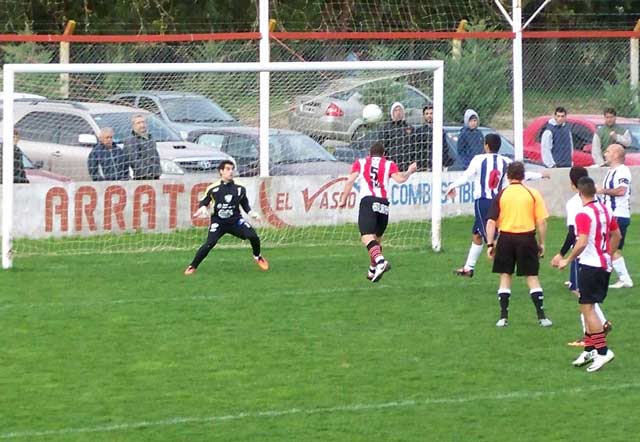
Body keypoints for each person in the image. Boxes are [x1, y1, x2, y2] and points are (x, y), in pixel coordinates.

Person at [445, 134, 546, 278]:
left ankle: (513, 263)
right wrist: (540, 175)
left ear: (486, 145)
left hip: (483, 202)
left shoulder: (478, 159)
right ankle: (468, 268)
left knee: (492, 240)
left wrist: (452, 186)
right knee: (477, 234)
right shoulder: (505, 161)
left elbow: (466, 176)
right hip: (499, 200)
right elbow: (521, 175)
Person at [554, 176, 621, 372]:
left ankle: (602, 351)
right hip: (603, 264)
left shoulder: (583, 214)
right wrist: (608, 253)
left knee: (588, 308)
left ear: (579, 192)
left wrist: (567, 259)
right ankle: (589, 349)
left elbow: (582, 242)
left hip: (590, 266)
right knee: (587, 307)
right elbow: (617, 235)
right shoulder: (605, 209)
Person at [338, 141, 417, 283]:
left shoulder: (361, 163)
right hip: (384, 204)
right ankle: (372, 269)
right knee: (376, 239)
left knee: (366, 236)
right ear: (383, 154)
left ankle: (380, 262)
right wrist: (410, 171)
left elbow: (350, 181)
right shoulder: (389, 164)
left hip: (368, 201)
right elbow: (400, 179)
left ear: (369, 154)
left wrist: (343, 199)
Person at [485, 161, 552, 328]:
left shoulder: (502, 194)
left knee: (505, 276)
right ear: (523, 176)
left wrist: (490, 244)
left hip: (506, 239)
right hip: (527, 239)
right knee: (532, 277)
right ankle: (542, 317)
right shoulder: (532, 193)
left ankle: (503, 317)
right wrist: (542, 243)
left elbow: (491, 222)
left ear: (507, 176)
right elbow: (542, 221)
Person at [550, 167, 611, 346]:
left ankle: (591, 337)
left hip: (585, 255)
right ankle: (599, 327)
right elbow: (614, 232)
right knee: (584, 294)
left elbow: (573, 233)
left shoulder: (575, 203)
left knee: (582, 295)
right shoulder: (598, 201)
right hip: (601, 255)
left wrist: (563, 255)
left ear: (572, 184)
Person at [184, 160, 268, 275]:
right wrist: (202, 207)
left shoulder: (240, 188)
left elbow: (245, 205)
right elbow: (204, 202)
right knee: (209, 243)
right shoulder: (213, 188)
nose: (231, 172)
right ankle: (192, 266)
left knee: (253, 236)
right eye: (228, 169)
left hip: (236, 221)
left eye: (232, 169)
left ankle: (257, 256)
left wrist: (252, 214)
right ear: (221, 171)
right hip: (218, 222)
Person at [596, 144, 633, 288]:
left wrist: (602, 190)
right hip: (611, 215)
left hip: (617, 215)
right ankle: (623, 279)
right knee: (609, 248)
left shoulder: (622, 171)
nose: (605, 154)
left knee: (609, 248)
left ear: (616, 154)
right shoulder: (611, 171)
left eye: (608, 151)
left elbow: (621, 191)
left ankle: (619, 279)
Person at [413, 104, 453, 171]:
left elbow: (444, 148)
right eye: (427, 114)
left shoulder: (440, 130)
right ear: (423, 116)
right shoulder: (419, 131)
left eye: (431, 113)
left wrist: (443, 163)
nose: (429, 115)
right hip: (424, 167)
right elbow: (417, 150)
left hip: (438, 165)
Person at [123, 114, 162, 180]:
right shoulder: (130, 140)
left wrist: (157, 171)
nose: (142, 125)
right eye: (138, 123)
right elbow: (134, 160)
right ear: (133, 126)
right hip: (142, 178)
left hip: (155, 176)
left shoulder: (150, 138)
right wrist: (148, 172)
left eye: (143, 122)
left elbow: (155, 156)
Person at [380, 102, 414, 171]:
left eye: (400, 110)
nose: (398, 112)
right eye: (396, 110)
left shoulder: (409, 127)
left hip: (406, 164)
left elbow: (413, 146)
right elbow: (383, 147)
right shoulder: (386, 128)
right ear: (392, 113)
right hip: (392, 164)